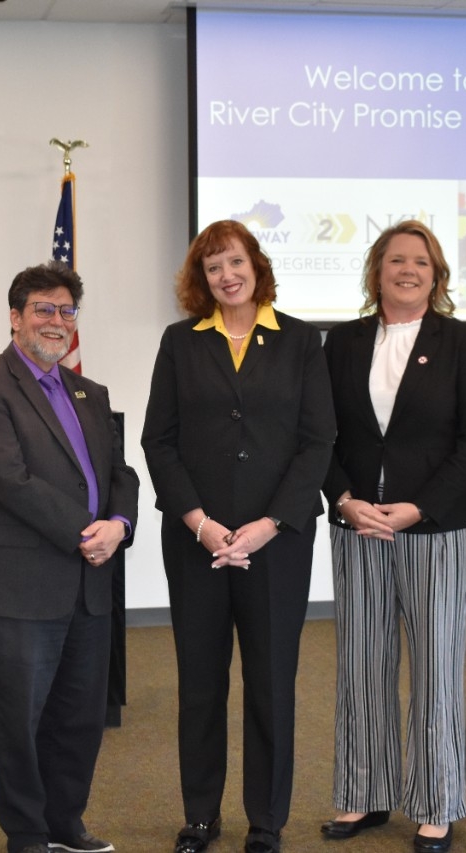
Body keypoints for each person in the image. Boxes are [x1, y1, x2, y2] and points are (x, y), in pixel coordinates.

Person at [140, 220, 336, 853]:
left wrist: (269, 524)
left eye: (236, 262)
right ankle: (200, 814)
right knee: (200, 683)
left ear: (257, 265)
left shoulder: (301, 341)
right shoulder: (179, 342)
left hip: (275, 544)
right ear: (201, 279)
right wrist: (200, 523)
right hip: (198, 543)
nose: (227, 275)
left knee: (271, 684)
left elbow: (317, 442)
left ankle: (266, 821)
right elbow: (158, 441)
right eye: (213, 266)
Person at [318, 221, 466, 853]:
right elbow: (319, 433)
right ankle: (364, 794)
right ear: (377, 271)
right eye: (396, 260)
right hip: (358, 526)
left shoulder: (461, 343)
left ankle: (435, 802)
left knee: (435, 669)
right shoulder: (341, 343)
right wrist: (344, 498)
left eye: (420, 262)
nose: (407, 270)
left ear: (437, 274)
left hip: (434, 529)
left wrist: (419, 507)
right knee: (361, 667)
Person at [0, 261, 139, 853]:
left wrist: (120, 522)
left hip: (89, 583)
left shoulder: (90, 391)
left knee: (80, 718)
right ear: (15, 318)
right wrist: (90, 531)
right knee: (20, 722)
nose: (57, 321)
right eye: (44, 309)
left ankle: (66, 824)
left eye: (67, 311)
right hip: (21, 583)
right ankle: (28, 834)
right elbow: (9, 480)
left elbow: (121, 473)